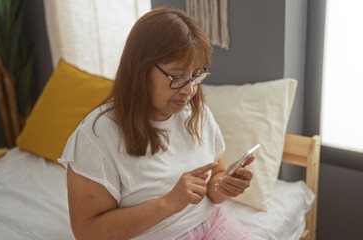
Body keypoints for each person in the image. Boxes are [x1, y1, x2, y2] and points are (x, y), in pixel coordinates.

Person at [59, 7, 255, 240]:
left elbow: (214, 181)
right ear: (140, 70)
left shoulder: (196, 110)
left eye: (196, 75)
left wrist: (223, 187)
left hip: (210, 223)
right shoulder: (97, 136)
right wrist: (168, 203)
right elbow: (88, 232)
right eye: (178, 76)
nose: (189, 89)